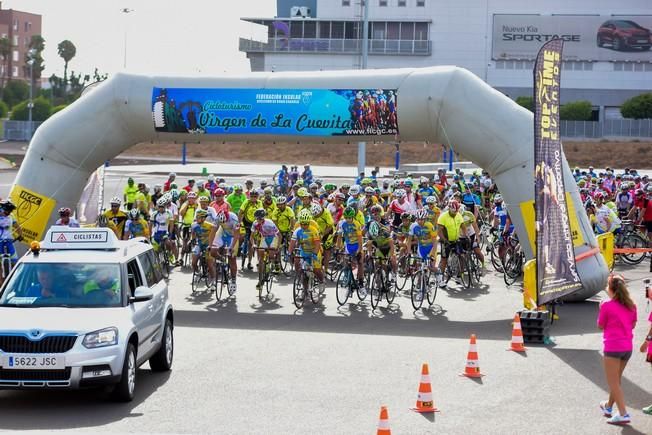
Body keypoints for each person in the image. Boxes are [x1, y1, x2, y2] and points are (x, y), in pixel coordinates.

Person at [597, 274, 636, 425]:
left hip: (613, 347)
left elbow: (601, 325)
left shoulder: (606, 305)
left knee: (613, 382)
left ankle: (623, 414)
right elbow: (632, 325)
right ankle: (608, 407)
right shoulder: (632, 305)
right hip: (627, 347)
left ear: (610, 289)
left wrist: (601, 309)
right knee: (616, 380)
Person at [290, 209, 325, 294]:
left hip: (315, 250)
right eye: (302, 223)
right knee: (302, 269)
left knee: (316, 270)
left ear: (309, 222)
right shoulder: (297, 228)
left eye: (306, 223)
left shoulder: (314, 229)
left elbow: (317, 243)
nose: (304, 225)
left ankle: (321, 281)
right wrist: (289, 252)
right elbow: (292, 242)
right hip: (304, 250)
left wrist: (315, 254)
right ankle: (304, 289)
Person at [437, 200, 466, 288]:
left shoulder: (458, 215)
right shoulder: (443, 216)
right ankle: (440, 279)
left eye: (456, 211)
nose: (455, 213)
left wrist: (465, 236)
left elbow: (463, 227)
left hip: (456, 239)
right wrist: (444, 240)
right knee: (444, 260)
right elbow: (439, 231)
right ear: (449, 208)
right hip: (445, 240)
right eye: (453, 211)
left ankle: (459, 276)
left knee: (462, 256)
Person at [210, 210, 240, 294]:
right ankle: (221, 259)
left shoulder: (234, 218)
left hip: (233, 236)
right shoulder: (217, 218)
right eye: (222, 222)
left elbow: (237, 234)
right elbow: (213, 232)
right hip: (222, 232)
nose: (224, 223)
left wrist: (231, 247)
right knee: (213, 251)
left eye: (225, 221)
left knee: (232, 258)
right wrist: (210, 245)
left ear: (227, 218)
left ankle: (233, 280)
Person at [191, 209, 217, 282]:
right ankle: (197, 273)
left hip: (208, 245)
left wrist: (212, 245)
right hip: (199, 244)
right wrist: (192, 240)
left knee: (209, 264)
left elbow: (215, 235)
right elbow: (193, 233)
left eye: (198, 217)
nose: (196, 218)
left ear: (203, 218)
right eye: (196, 217)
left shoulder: (211, 226)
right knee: (193, 262)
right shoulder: (193, 225)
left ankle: (213, 280)